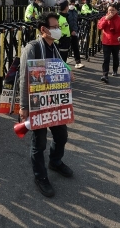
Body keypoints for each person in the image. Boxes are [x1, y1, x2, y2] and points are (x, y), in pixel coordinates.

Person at [19, 12, 74, 198]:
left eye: (59, 26)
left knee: (61, 135)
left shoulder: (54, 47)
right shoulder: (32, 48)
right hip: (37, 103)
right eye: (54, 27)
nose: (58, 29)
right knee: (39, 142)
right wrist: (24, 106)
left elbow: (60, 67)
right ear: (43, 30)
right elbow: (24, 77)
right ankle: (40, 177)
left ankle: (55, 161)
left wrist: (69, 72)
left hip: (55, 102)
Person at [97, 5, 120, 83]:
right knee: (106, 59)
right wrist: (106, 19)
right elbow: (100, 26)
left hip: (115, 42)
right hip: (106, 42)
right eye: (109, 10)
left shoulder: (119, 19)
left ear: (116, 11)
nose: (111, 12)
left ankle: (115, 69)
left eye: (112, 10)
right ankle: (105, 75)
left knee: (115, 57)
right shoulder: (104, 18)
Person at [67, 0, 84, 69]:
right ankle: (62, 64)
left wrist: (76, 29)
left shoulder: (75, 11)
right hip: (67, 33)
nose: (72, 5)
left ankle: (78, 62)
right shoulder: (66, 12)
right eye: (70, 4)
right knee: (65, 49)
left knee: (76, 47)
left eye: (73, 4)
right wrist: (71, 31)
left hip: (75, 31)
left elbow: (76, 20)